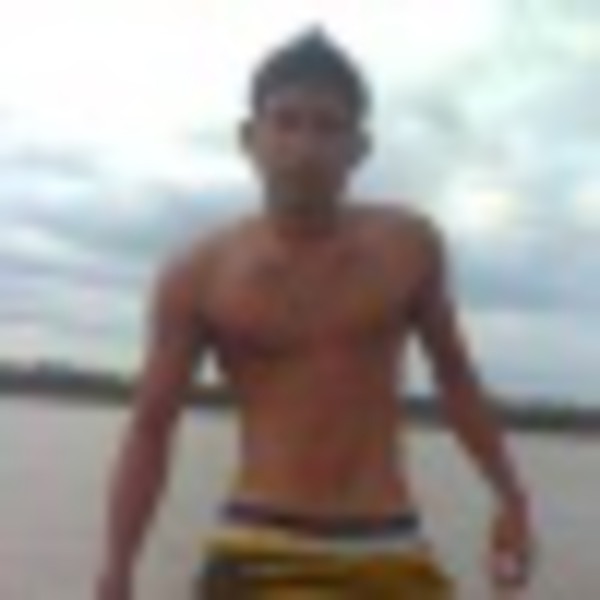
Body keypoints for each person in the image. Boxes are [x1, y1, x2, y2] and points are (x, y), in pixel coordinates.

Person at [96, 28, 536, 599]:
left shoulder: (408, 247)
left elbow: (456, 380)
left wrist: (512, 499)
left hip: (388, 544)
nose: (305, 147)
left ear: (359, 147)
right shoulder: (199, 273)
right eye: (286, 122)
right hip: (259, 544)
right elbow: (151, 427)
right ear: (250, 138)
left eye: (328, 126)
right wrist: (117, 568)